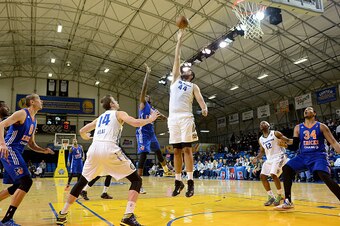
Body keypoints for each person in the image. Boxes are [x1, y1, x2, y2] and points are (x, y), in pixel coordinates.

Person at [56, 94, 159, 226]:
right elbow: (135, 123)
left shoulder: (100, 118)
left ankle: (62, 214)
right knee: (136, 180)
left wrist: (86, 137)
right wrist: (150, 119)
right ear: (111, 104)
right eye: (115, 101)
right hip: (109, 148)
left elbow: (82, 130)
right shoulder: (119, 113)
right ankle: (128, 215)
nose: (117, 102)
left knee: (82, 182)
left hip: (93, 150)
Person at [0, 94, 54, 225]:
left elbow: (31, 145)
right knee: (27, 181)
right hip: (10, 149)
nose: (42, 101)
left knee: (18, 185)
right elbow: (1, 124)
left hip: (17, 152)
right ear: (32, 101)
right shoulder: (22, 113)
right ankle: (7, 220)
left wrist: (44, 150)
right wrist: (2, 144)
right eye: (39, 99)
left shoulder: (34, 121)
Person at [275, 106, 340, 210]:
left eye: (309, 109)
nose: (306, 110)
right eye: (305, 110)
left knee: (324, 175)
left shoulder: (321, 126)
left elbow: (333, 142)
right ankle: (288, 201)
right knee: (286, 168)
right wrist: (285, 144)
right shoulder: (298, 127)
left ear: (314, 113)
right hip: (303, 156)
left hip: (318, 155)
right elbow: (295, 146)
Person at [169, 29, 208, 197]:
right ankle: (178, 182)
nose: (185, 70)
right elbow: (177, 58)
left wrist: (204, 108)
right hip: (173, 119)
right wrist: (179, 40)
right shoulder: (175, 79)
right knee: (176, 151)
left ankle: (191, 182)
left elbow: (200, 99)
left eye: (188, 70)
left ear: (191, 76)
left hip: (185, 118)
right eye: (184, 69)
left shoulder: (193, 86)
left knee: (187, 150)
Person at [136, 64, 171, 194]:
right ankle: (138, 184)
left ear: (150, 99)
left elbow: (164, 118)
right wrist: (147, 73)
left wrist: (166, 117)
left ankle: (166, 169)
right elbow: (143, 90)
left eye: (148, 96)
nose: (146, 96)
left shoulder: (153, 110)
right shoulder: (142, 105)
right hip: (142, 132)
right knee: (144, 155)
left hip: (151, 134)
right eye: (145, 96)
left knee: (158, 152)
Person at [253, 121, 291, 206]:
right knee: (262, 176)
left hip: (279, 156)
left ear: (269, 125)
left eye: (264, 123)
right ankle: (271, 196)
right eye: (261, 123)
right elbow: (262, 152)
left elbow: (287, 141)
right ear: (260, 128)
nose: (262, 124)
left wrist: (293, 142)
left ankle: (279, 195)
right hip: (269, 159)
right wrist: (256, 158)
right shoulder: (261, 139)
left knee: (273, 174)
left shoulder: (275, 133)